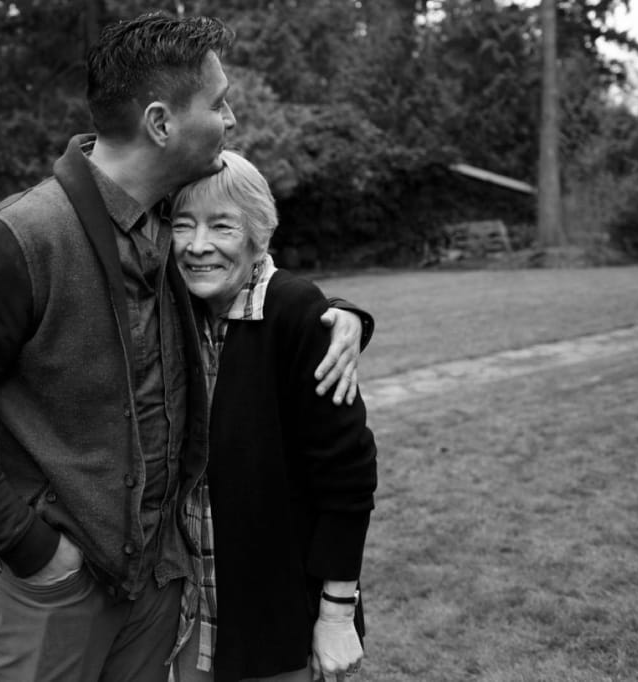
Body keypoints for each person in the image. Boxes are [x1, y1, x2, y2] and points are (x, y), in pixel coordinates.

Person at [0, 12, 373, 682]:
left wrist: (343, 316)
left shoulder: (168, 221)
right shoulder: (19, 239)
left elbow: (253, 268)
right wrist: (31, 548)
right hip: (52, 589)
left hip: (155, 585)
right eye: (219, 102)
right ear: (160, 122)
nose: (231, 118)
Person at [168, 151, 378, 682]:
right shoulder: (177, 313)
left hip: (277, 621)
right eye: (182, 225)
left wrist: (335, 613)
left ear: (258, 234)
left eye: (222, 226)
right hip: (188, 618)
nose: (198, 246)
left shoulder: (297, 314)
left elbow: (348, 478)